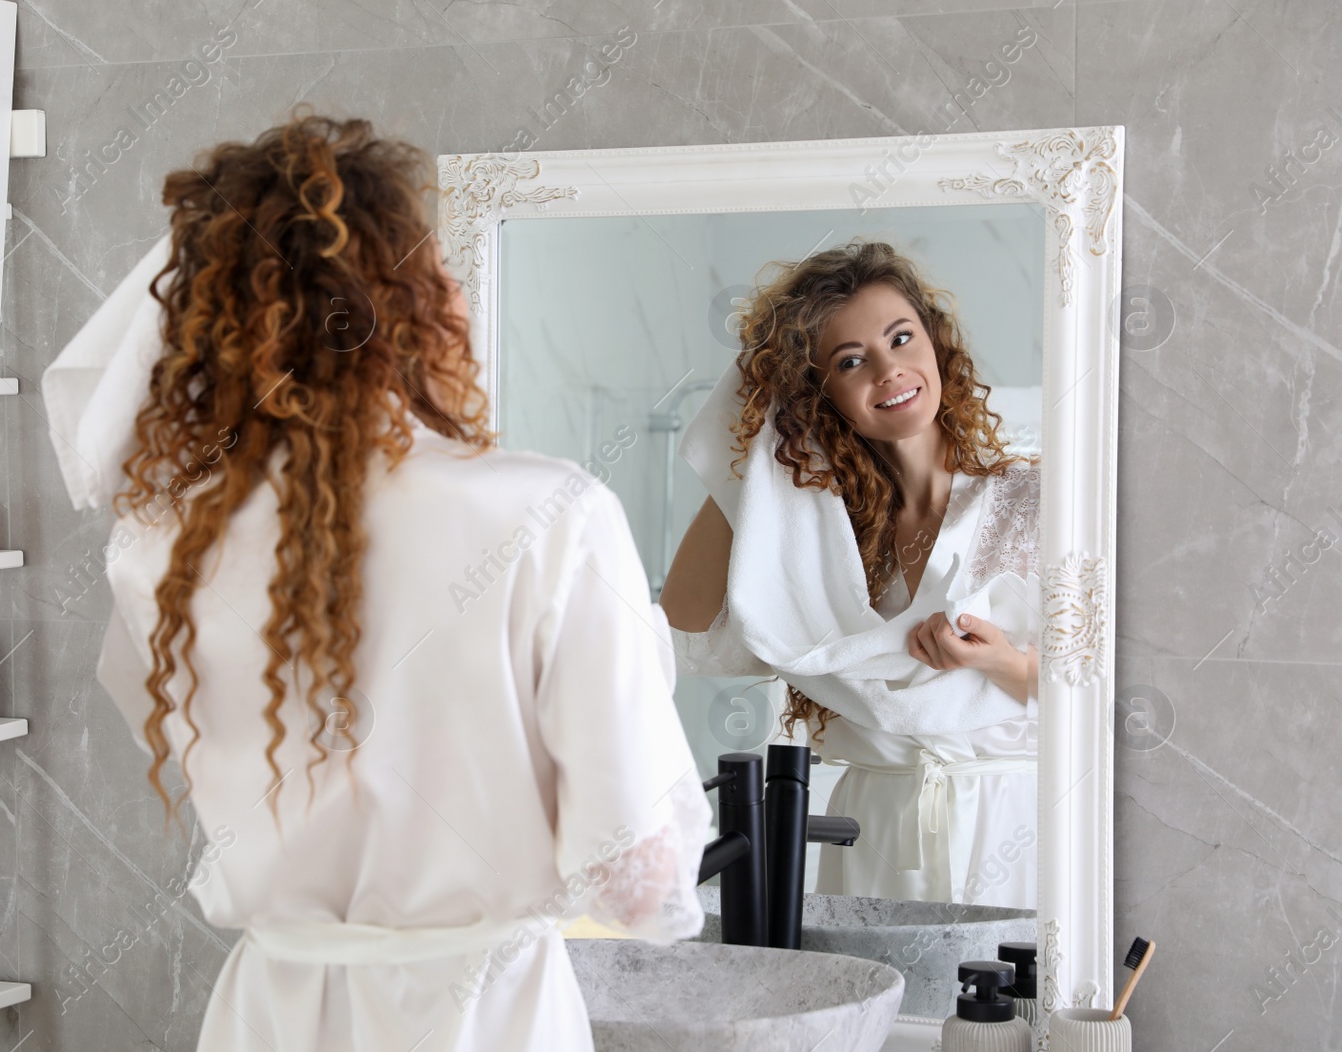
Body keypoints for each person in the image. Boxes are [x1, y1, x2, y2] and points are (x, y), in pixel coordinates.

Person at [86, 107, 710, 1052]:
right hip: (485, 1020)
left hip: (269, 1015)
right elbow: (637, 885)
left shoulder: (158, 545)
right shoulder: (552, 516)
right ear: (411, 295)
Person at [660, 240, 1040, 909]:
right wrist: (754, 449)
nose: (890, 370)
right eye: (852, 360)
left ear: (937, 342)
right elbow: (684, 618)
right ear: (819, 394)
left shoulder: (1034, 499)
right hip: (876, 826)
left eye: (902, 337)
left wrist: (1003, 663)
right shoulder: (827, 541)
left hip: (1009, 819)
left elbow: (1103, 690)